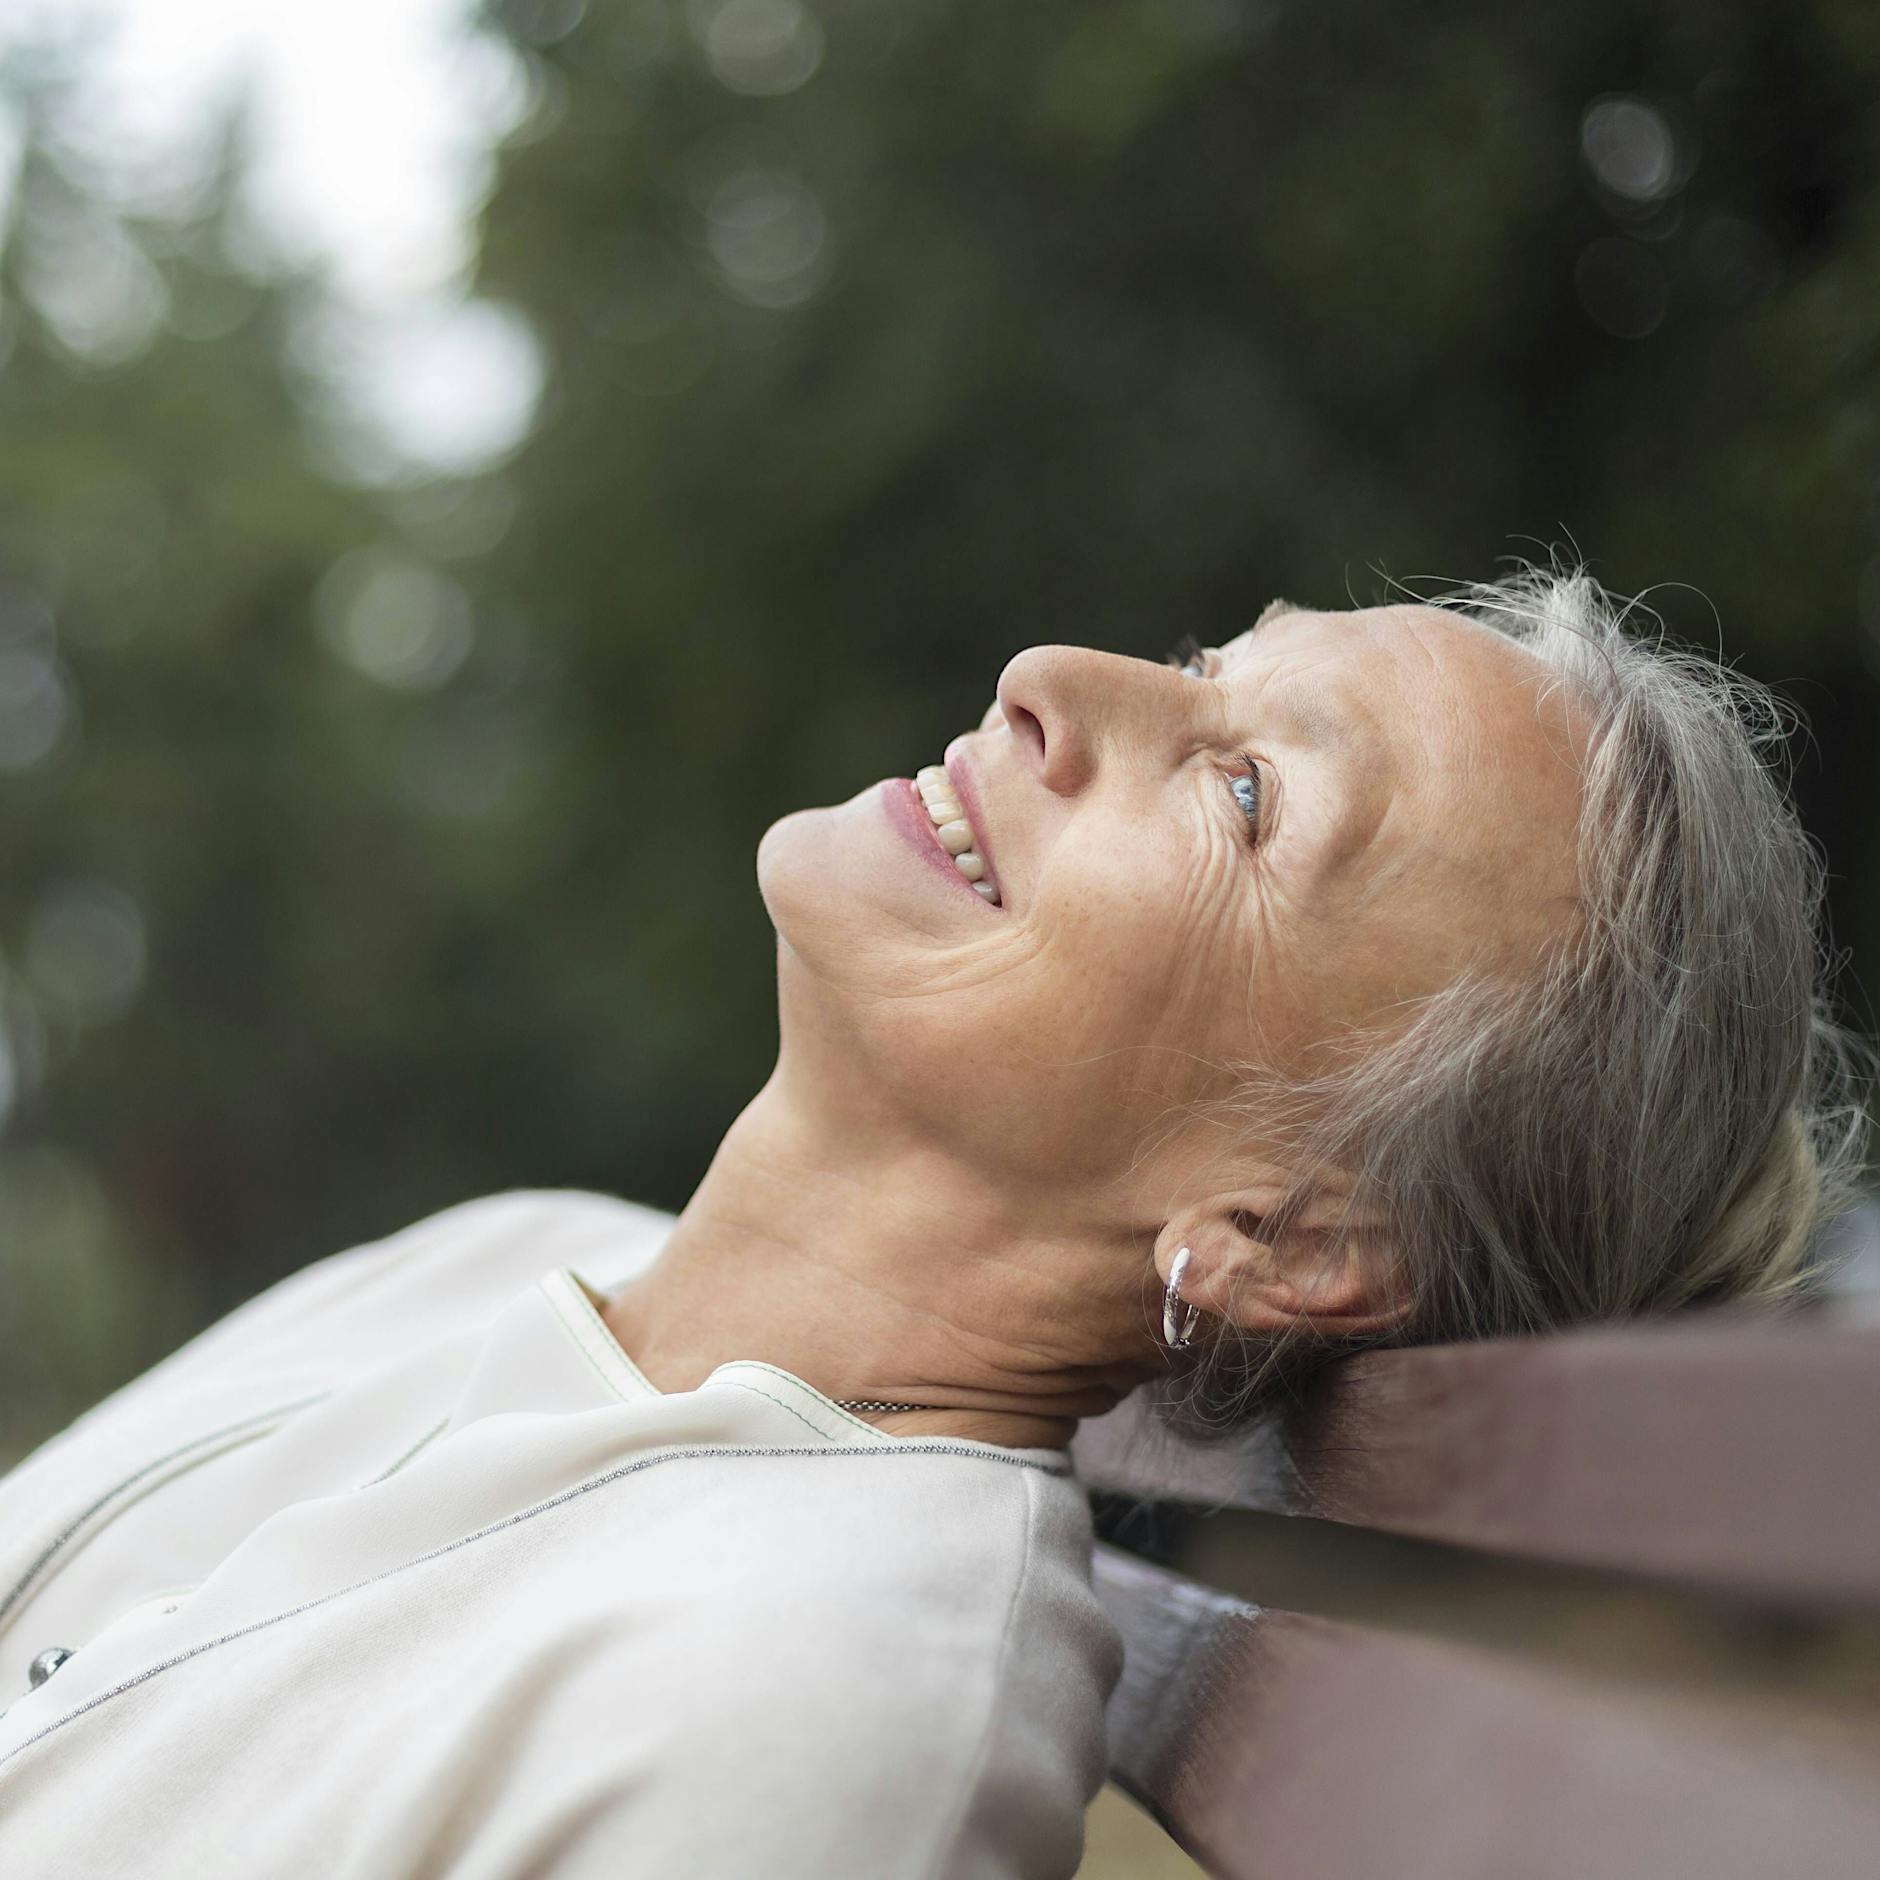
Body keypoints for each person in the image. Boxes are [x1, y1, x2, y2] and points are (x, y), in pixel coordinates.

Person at [0, 565, 1862, 1876]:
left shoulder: (821, 1722)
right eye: (1205, 662)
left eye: (1244, 797)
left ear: (1288, 1236)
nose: (1056, 672)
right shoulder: (501, 1246)